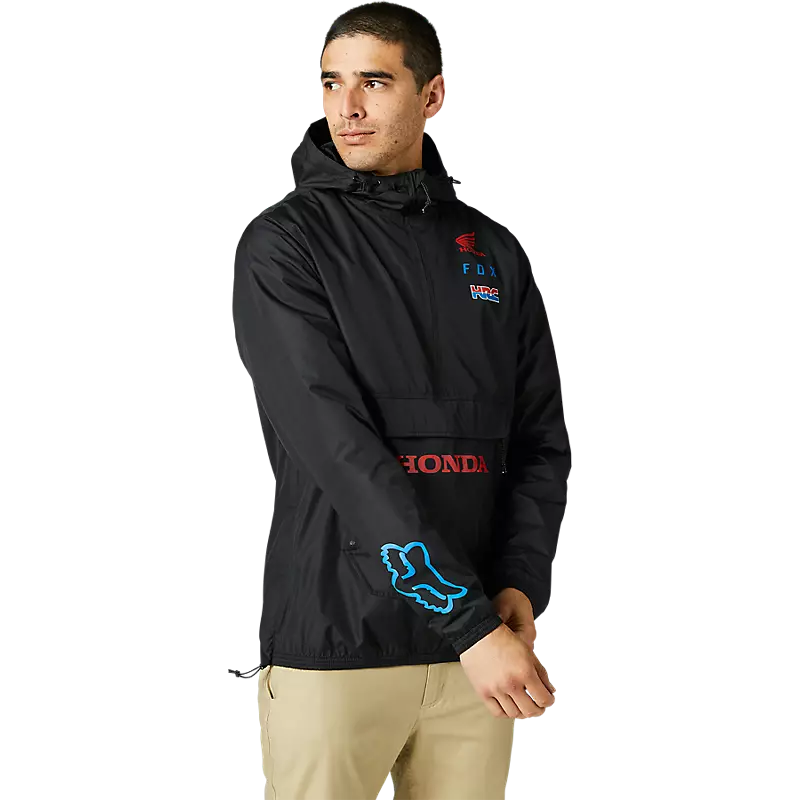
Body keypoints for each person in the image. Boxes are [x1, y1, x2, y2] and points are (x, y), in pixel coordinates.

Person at [228, 3, 571, 798]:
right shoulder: (285, 244)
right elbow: (339, 452)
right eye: (331, 83)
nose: (347, 107)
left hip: (477, 659)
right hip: (337, 647)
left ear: (432, 95)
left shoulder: (492, 251)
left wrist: (518, 583)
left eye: (374, 82)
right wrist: (473, 623)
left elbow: (539, 442)